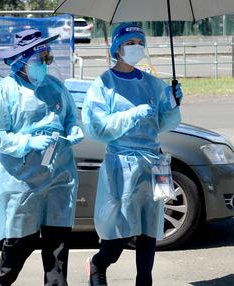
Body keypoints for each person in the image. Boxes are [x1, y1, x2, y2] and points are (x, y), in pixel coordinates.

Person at [81, 23, 182, 286]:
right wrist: (131, 114)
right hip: (121, 165)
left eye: (140, 42)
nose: (137, 47)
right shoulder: (103, 85)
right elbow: (97, 127)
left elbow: (163, 122)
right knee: (120, 231)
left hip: (153, 162)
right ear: (117, 48)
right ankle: (99, 263)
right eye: (130, 42)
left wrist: (173, 103)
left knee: (150, 229)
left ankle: (144, 281)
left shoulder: (152, 84)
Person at [0, 29, 85, 286]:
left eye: (48, 57)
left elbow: (71, 116)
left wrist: (73, 128)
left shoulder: (55, 86)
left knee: (57, 244)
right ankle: (1, 282)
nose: (46, 63)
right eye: (41, 58)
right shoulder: (4, 92)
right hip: (23, 181)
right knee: (20, 241)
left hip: (59, 175)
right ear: (22, 61)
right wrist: (28, 142)